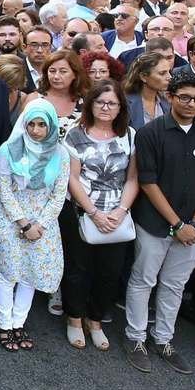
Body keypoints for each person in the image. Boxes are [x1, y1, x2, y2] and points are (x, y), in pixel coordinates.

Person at [124, 71, 195, 375]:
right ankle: (135, 338)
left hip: (192, 227)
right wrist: (177, 224)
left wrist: (194, 222)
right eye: (184, 97)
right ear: (170, 97)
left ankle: (164, 339)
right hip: (155, 223)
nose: (191, 103)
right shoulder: (150, 133)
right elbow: (148, 182)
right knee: (143, 281)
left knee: (174, 285)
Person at [0, 99, 69, 353]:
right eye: (31, 124)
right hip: (11, 219)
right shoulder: (8, 151)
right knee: (9, 274)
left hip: (44, 223)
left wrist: (39, 223)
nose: (36, 130)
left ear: (52, 126)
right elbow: (4, 189)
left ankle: (19, 322)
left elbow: (59, 194)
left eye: (43, 125)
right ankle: (4, 324)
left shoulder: (61, 154)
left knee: (30, 275)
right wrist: (24, 222)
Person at [61, 80, 139, 352]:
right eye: (100, 102)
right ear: (90, 104)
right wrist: (93, 212)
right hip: (81, 211)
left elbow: (132, 178)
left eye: (112, 103)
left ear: (121, 108)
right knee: (76, 269)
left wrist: (121, 210)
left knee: (110, 272)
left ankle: (95, 320)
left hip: (117, 213)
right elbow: (71, 178)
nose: (106, 107)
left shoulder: (129, 135)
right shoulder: (75, 133)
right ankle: (74, 318)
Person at [122, 51, 172, 131]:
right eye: (162, 73)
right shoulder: (125, 103)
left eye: (169, 72)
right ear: (143, 76)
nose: (169, 77)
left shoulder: (168, 101)